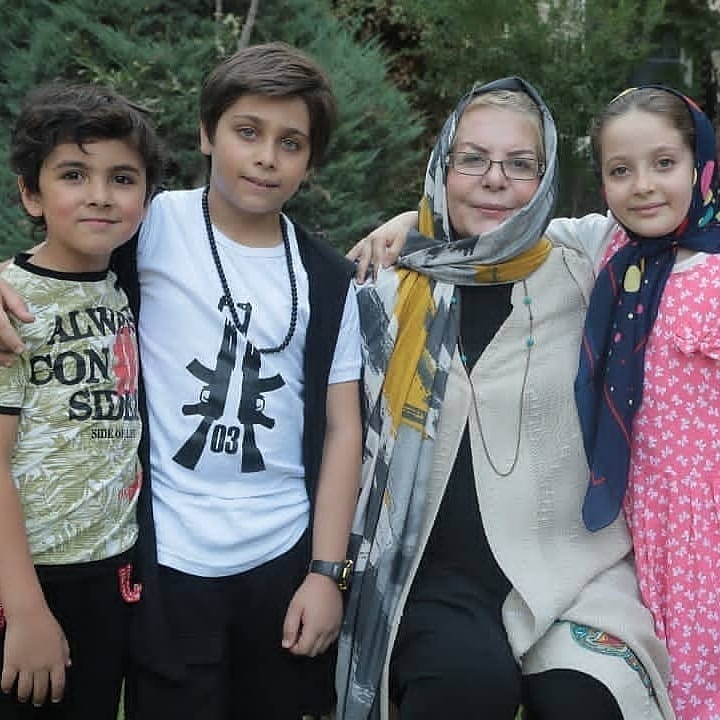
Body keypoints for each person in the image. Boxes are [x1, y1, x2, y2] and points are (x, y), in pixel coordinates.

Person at [0, 43, 362, 719]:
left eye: (290, 143)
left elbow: (344, 429)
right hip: (168, 559)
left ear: (311, 161)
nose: (265, 157)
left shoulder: (329, 278)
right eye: (247, 131)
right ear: (206, 133)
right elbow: (56, 260)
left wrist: (326, 572)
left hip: (284, 557)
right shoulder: (150, 223)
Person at [335, 77, 673, 720]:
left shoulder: (589, 267)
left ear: (546, 181)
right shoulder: (385, 289)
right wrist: (416, 225)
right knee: (466, 689)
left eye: (521, 164)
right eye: (472, 159)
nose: (495, 179)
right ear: (442, 166)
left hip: (575, 572)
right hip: (430, 575)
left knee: (585, 700)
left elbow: (664, 210)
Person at [0, 81, 164, 719]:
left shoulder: (123, 288)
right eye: (73, 174)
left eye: (122, 178)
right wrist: (24, 609)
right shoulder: (13, 305)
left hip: (111, 572)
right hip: (28, 576)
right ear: (31, 194)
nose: (100, 194)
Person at [576, 86, 720, 720]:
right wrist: (410, 221)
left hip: (705, 526)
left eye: (664, 163)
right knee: (644, 683)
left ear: (700, 163)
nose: (643, 186)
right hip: (632, 518)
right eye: (620, 170)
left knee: (698, 685)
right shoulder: (612, 251)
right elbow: (514, 227)